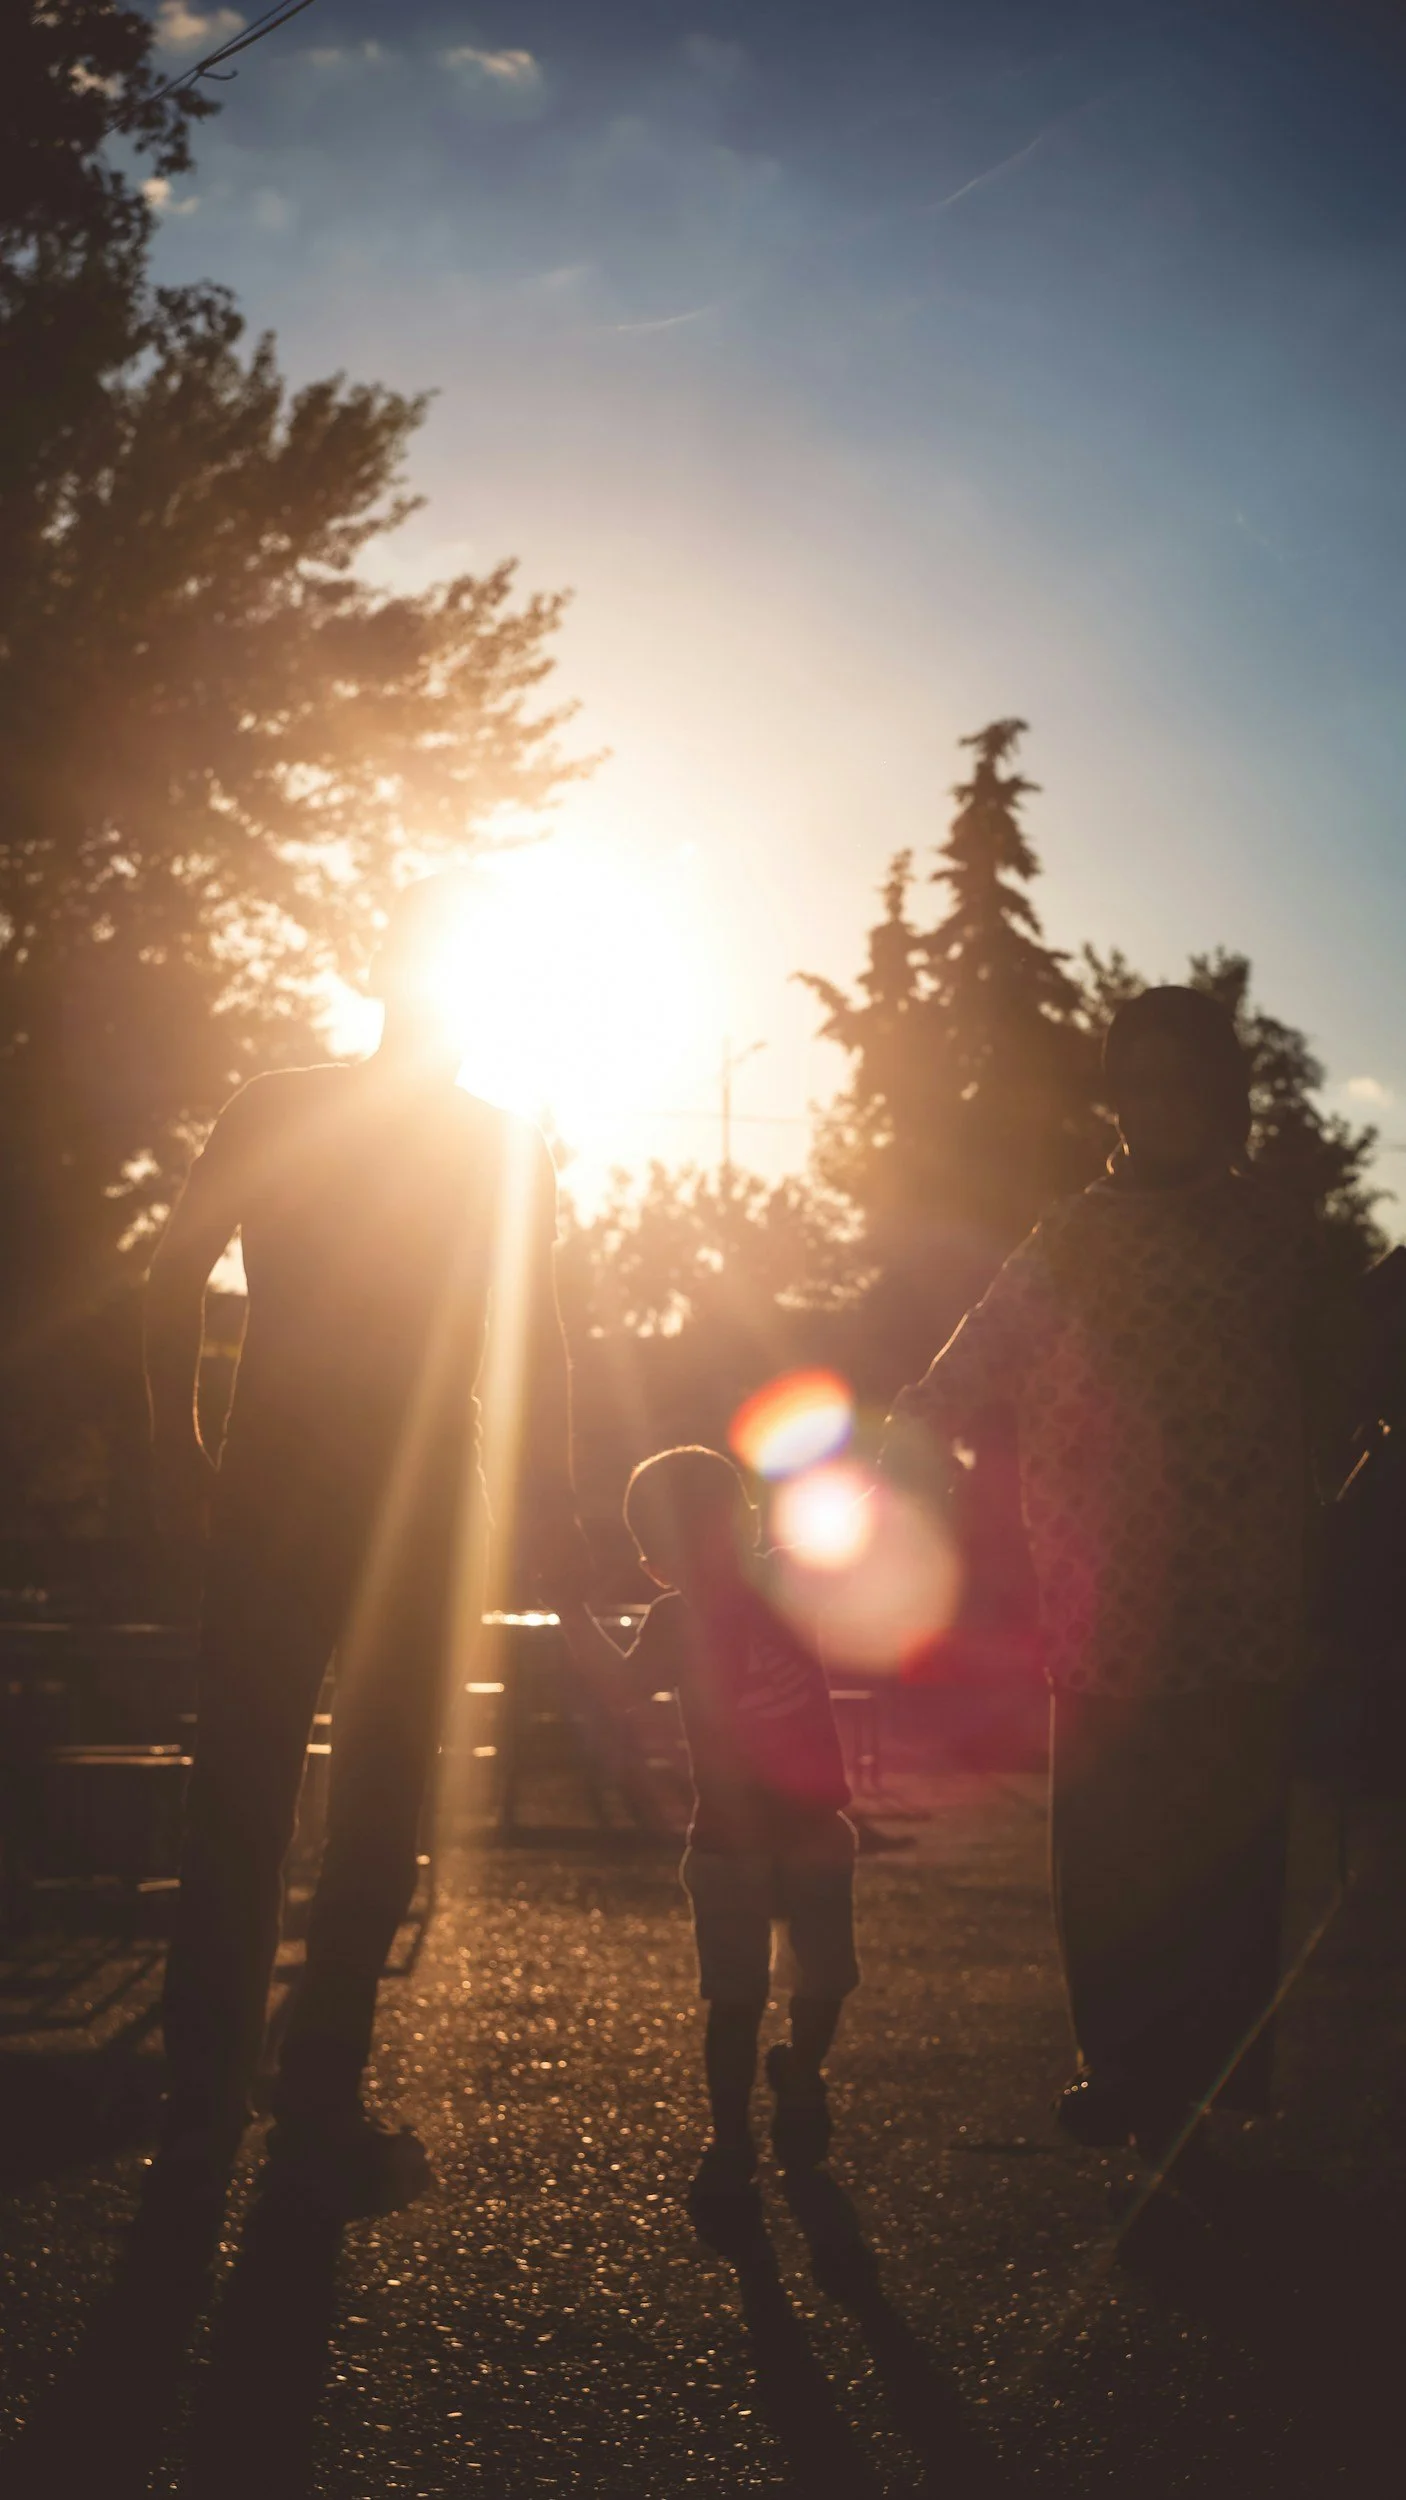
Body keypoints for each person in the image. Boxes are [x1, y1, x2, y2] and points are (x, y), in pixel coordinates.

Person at [144, 879, 588, 2217]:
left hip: (385, 1506)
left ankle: (270, 2085)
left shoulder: (480, 1143)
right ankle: (244, 2083)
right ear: (382, 974)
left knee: (335, 1800)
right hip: (329, 1497)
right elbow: (174, 1270)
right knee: (268, 1793)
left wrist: (547, 1505)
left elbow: (537, 1331)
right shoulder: (296, 1109)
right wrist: (182, 1453)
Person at [888, 986, 1350, 2186]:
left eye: (1185, 1080)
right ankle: (1127, 2066)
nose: (1162, 1105)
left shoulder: (1274, 1234)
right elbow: (976, 1351)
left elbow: (1349, 1372)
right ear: (1117, 1098)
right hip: (1109, 1603)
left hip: (1243, 1596)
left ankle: (1199, 2079)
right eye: (1139, 1081)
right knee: (1110, 1847)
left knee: (1224, 1849)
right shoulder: (1076, 1232)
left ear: (1222, 1097)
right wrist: (902, 1445)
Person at [558, 1446, 859, 2230]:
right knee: (761, 1993)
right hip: (753, 1833)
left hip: (772, 1830)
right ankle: (746, 2128)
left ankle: (772, 2103)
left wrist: (567, 1610)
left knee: (791, 1987)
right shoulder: (695, 1611)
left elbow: (617, 1690)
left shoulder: (779, 1578)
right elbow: (627, 1687)